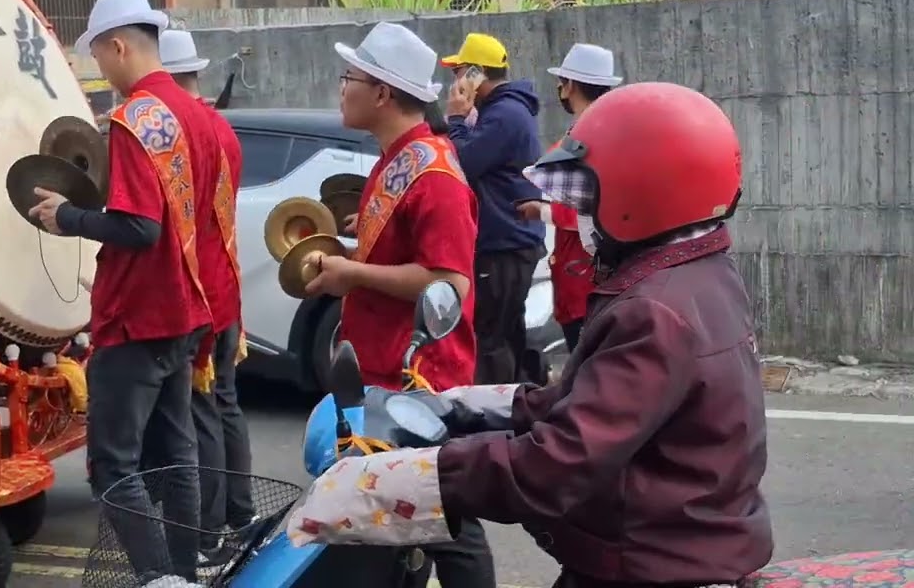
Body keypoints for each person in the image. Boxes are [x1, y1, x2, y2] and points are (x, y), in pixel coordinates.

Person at [287, 82, 772, 588]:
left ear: (641, 191)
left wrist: (403, 479)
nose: (576, 215)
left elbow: (556, 464)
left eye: (587, 196)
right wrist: (466, 407)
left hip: (650, 565)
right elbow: (592, 404)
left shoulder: (653, 310)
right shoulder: (701, 274)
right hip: (677, 544)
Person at [29, 0, 222, 585]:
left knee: (115, 469)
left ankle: (159, 578)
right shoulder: (200, 116)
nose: (102, 71)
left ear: (118, 45)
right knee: (179, 458)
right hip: (185, 309)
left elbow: (140, 227)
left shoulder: (137, 118)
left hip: (136, 316)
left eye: (100, 56)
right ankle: (185, 575)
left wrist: (68, 218)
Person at [303, 21, 495, 588]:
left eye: (349, 78)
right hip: (383, 367)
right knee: (399, 520)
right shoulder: (398, 157)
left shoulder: (432, 173)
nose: (342, 88)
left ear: (382, 92)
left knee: (445, 523)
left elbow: (449, 284)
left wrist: (352, 273)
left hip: (418, 378)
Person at [158, 29, 259, 562]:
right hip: (227, 285)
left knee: (200, 412)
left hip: (200, 291)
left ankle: (210, 528)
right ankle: (239, 514)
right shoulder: (222, 128)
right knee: (226, 405)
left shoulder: (180, 129)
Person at [440, 33, 547, 385]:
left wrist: (456, 120)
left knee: (491, 339)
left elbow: (463, 163)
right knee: (506, 332)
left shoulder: (504, 115)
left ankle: (496, 414)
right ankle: (522, 403)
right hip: (510, 242)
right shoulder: (502, 112)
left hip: (504, 244)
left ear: (475, 74)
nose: (454, 81)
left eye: (459, 72)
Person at [516, 43, 623, 352]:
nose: (561, 89)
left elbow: (594, 211)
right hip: (590, 276)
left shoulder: (588, 136)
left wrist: (543, 211)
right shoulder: (609, 129)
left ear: (571, 85)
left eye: (562, 82)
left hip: (584, 277)